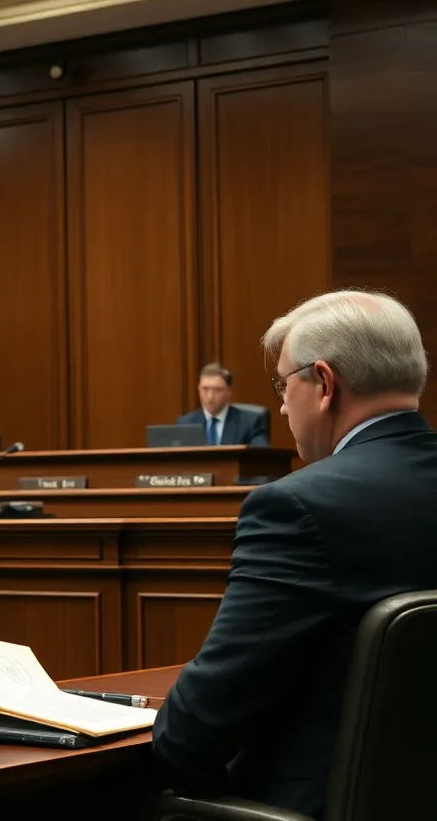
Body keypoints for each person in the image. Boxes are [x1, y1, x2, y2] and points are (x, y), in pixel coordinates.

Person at [152, 290, 437, 818]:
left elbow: (189, 739)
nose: (281, 405)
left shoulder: (296, 507)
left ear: (324, 384)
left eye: (283, 385)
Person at [176, 363, 269, 446]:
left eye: (217, 390)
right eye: (205, 389)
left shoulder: (249, 423)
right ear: (198, 389)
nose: (210, 397)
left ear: (229, 391)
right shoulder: (185, 423)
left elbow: (262, 458)